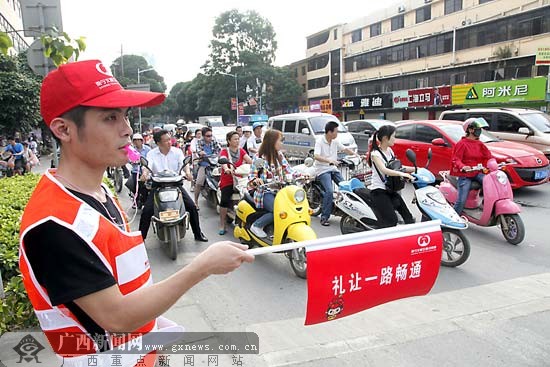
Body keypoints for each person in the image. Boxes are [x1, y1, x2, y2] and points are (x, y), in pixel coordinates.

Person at [18, 60, 253, 367]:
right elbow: (117, 317)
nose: (127, 130)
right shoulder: (53, 224)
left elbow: (130, 289)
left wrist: (157, 336)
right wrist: (203, 266)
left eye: (126, 116)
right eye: (110, 118)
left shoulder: (101, 191)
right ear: (64, 129)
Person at [140, 129, 209, 242]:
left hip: (175, 184)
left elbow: (184, 164)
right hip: (158, 185)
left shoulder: (177, 152)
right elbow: (147, 166)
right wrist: (144, 174)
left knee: (192, 207)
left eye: (169, 139)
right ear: (158, 143)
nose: (169, 142)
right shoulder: (151, 154)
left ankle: (198, 234)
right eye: (166, 140)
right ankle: (140, 239)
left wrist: (187, 173)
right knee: (147, 211)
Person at [248, 129, 297, 238]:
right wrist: (256, 180)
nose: (281, 143)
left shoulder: (279, 155)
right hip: (264, 192)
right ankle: (256, 225)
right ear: (272, 141)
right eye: (280, 140)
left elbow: (289, 170)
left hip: (281, 191)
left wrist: (302, 175)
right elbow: (252, 175)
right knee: (278, 210)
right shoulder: (258, 157)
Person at [367, 125, 416, 228]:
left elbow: (398, 167)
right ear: (385, 138)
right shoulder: (375, 154)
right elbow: (385, 170)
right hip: (379, 191)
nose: (395, 139)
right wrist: (401, 174)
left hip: (390, 190)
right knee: (391, 221)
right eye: (393, 136)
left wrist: (416, 169)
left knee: (408, 217)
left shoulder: (389, 151)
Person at [314, 121, 358, 226]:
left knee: (346, 186)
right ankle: (324, 217)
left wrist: (356, 154)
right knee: (329, 191)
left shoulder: (334, 141)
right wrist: (329, 161)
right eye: (336, 131)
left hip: (333, 169)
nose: (337, 133)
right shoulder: (320, 141)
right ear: (330, 132)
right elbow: (316, 156)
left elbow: (345, 149)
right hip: (322, 169)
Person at [450, 117, 492, 215]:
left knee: (491, 183)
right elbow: (455, 159)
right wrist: (463, 166)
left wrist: (494, 164)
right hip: (465, 175)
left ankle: (486, 205)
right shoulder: (462, 144)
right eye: (477, 128)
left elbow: (489, 156)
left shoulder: (480, 144)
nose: (479, 131)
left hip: (477, 172)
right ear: (470, 130)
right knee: (461, 200)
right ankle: (453, 219)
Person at [219, 131, 252, 235]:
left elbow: (250, 160)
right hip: (228, 179)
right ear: (229, 141)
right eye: (235, 139)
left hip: (241, 179)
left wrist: (255, 164)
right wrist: (227, 169)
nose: (237, 141)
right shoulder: (225, 151)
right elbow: (223, 162)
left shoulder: (241, 151)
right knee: (224, 200)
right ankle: (222, 224)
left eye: (238, 139)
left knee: (249, 196)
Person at [194, 126, 221, 208]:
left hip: (214, 164)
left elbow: (219, 149)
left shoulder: (214, 141)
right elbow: (198, 150)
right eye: (208, 136)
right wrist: (201, 153)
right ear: (203, 136)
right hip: (204, 164)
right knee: (199, 182)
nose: (210, 137)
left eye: (210, 135)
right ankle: (195, 202)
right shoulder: (199, 142)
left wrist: (219, 155)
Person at [125, 133, 151, 208]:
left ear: (141, 141)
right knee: (133, 185)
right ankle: (136, 201)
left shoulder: (147, 149)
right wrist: (132, 161)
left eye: (138, 140)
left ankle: (145, 200)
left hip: (146, 171)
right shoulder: (132, 150)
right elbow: (129, 159)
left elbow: (150, 159)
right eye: (135, 140)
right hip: (136, 171)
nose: (137, 142)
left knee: (147, 186)